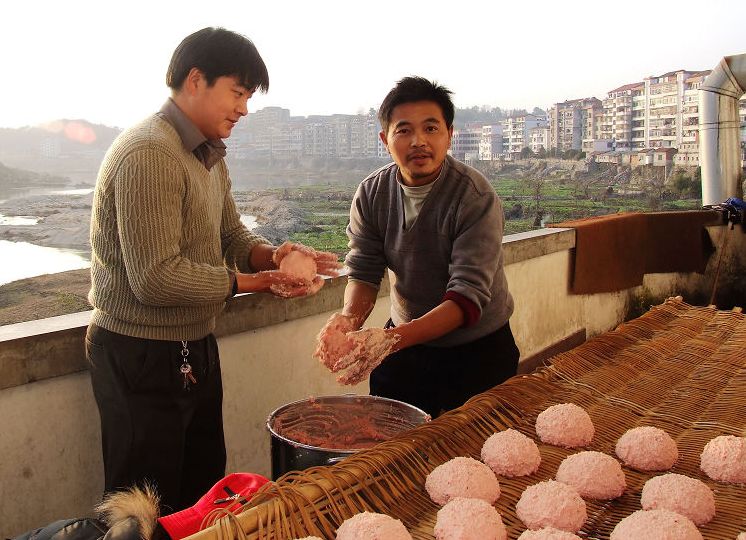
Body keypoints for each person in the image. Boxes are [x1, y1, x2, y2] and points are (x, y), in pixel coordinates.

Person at [86, 27, 338, 513]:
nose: (243, 108)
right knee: (145, 506)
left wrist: (275, 257)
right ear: (196, 80)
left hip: (193, 343)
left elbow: (231, 236)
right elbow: (156, 278)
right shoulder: (149, 151)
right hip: (142, 352)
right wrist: (255, 282)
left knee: (202, 494)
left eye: (247, 97)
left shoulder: (206, 153)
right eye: (238, 93)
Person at [316, 76, 519, 418]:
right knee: (393, 447)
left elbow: (466, 298)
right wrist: (349, 320)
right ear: (385, 139)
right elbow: (364, 271)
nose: (419, 142)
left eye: (430, 128)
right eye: (404, 130)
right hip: (406, 341)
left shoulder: (474, 197)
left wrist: (389, 341)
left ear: (449, 134)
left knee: (477, 453)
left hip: (478, 348)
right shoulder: (371, 194)